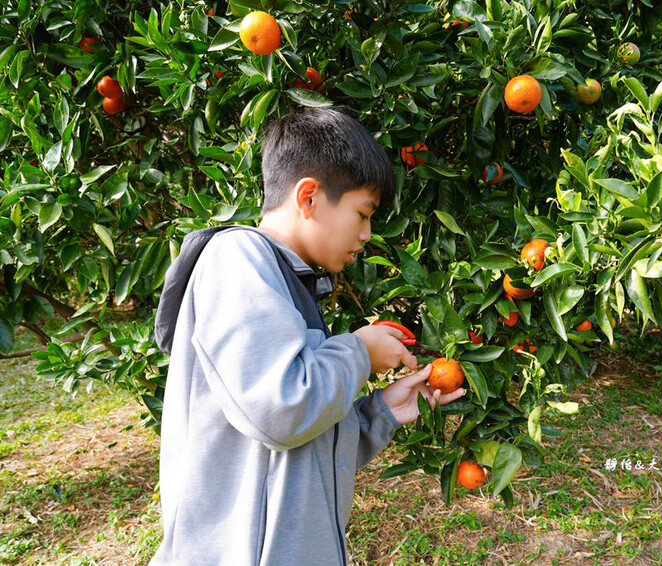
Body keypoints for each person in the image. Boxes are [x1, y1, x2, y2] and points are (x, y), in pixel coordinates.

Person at [149, 107, 465, 565]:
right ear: (309, 198)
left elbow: (295, 456)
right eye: (362, 213)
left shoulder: (286, 282)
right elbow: (282, 412)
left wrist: (380, 414)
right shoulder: (238, 258)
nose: (366, 234)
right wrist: (359, 349)